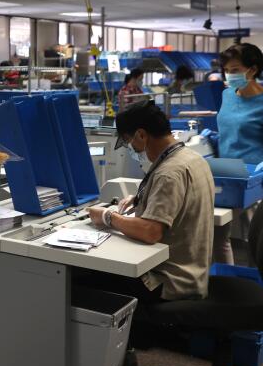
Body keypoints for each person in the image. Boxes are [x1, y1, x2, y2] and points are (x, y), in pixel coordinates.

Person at [85, 101, 214, 305]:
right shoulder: (192, 158)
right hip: (193, 272)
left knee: (83, 276)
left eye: (129, 141)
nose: (132, 149)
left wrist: (107, 216)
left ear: (142, 135)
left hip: (167, 281)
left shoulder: (169, 173)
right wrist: (142, 198)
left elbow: (150, 232)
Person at [214, 43, 263, 264]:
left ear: (252, 70)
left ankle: (255, 288)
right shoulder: (227, 94)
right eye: (226, 70)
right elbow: (226, 130)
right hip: (227, 176)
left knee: (253, 240)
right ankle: (227, 287)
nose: (229, 75)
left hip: (255, 181)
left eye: (234, 70)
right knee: (220, 234)